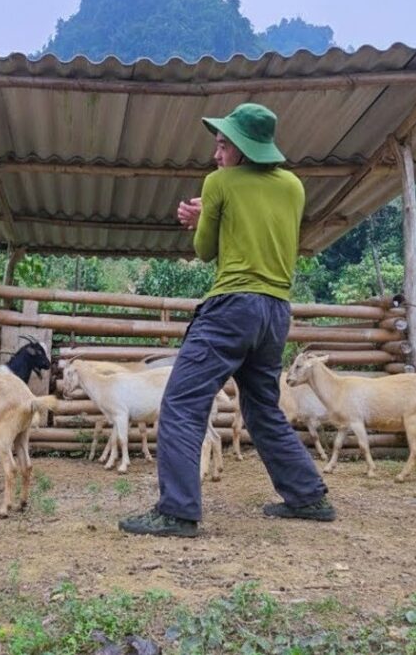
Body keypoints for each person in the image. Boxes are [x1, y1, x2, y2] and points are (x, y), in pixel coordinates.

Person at [118, 102, 335, 538]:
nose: (216, 154)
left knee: (181, 402)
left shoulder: (218, 183)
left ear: (243, 148)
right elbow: (259, 227)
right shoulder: (293, 186)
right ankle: (308, 496)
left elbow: (205, 250)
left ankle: (177, 511)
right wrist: (216, 213)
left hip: (231, 308)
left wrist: (203, 217)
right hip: (275, 311)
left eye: (223, 145)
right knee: (262, 408)